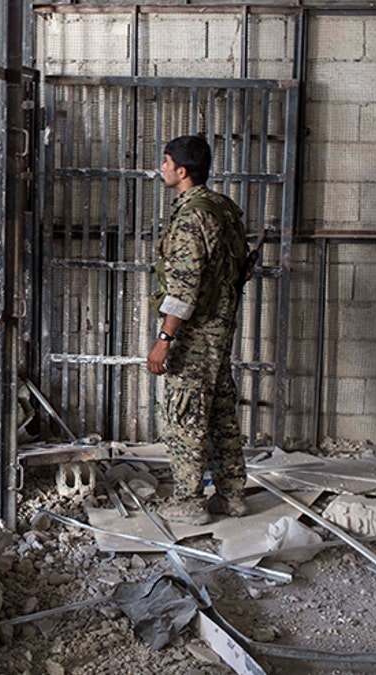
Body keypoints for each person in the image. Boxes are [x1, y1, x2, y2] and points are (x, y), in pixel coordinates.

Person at [146, 135, 249, 526]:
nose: (163, 168)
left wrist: (164, 340)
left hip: (196, 332)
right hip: (222, 327)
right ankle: (233, 494)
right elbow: (241, 270)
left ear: (182, 171)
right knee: (221, 409)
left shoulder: (192, 216)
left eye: (166, 162)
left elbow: (184, 286)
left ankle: (189, 501)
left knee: (185, 412)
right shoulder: (224, 208)